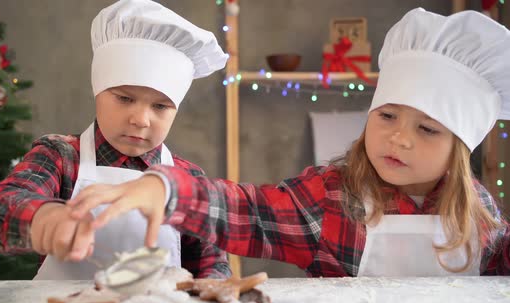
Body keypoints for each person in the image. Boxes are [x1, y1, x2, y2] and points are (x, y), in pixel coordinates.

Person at [67, 8, 510, 277]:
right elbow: (248, 211)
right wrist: (167, 187)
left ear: (460, 145)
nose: (399, 137)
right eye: (387, 116)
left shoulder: (482, 214)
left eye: (427, 129)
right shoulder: (332, 198)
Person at [0, 0, 231, 280]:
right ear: (98, 93)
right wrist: (43, 218)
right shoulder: (59, 156)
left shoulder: (187, 178)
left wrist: (211, 298)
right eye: (125, 98)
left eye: (160, 106)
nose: (141, 119)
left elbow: (212, 265)